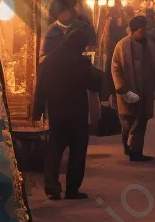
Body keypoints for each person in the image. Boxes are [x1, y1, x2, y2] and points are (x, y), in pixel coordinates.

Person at [32, 29, 103, 200]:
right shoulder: (81, 61)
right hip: (77, 114)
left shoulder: (50, 60)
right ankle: (72, 189)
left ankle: (52, 188)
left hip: (57, 113)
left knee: (54, 151)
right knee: (77, 153)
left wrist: (37, 111)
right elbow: (93, 85)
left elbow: (40, 87)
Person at [111, 15, 155, 162]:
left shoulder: (150, 44)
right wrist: (121, 87)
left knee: (141, 120)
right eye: (141, 30)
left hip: (145, 89)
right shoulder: (122, 46)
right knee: (128, 121)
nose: (144, 33)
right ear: (133, 31)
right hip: (128, 90)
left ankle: (136, 151)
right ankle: (128, 146)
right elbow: (115, 69)